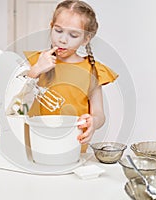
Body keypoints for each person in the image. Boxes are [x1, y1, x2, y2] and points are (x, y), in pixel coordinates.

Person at [25, 0, 118, 151]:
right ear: (51, 26)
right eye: (58, 31)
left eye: (73, 35)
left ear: (86, 39)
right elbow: (17, 97)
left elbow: (99, 114)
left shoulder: (92, 70)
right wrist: (36, 69)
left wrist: (94, 122)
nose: (62, 39)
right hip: (37, 142)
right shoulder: (38, 61)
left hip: (72, 145)